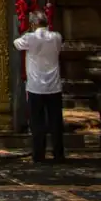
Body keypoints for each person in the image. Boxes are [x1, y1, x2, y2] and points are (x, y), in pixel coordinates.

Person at [14, 11, 65, 163]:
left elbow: (16, 43)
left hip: (36, 86)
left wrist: (28, 31)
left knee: (37, 122)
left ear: (34, 24)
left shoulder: (30, 38)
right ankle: (58, 153)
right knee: (56, 121)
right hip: (54, 85)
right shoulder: (56, 36)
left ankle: (39, 154)